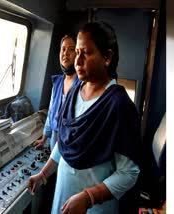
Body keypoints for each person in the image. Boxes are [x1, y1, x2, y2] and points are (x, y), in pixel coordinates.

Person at [28, 21, 141, 214]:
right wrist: (43, 174)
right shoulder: (73, 93)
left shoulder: (119, 105)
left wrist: (89, 198)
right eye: (77, 52)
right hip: (62, 198)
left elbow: (129, 173)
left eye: (86, 53)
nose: (77, 61)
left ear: (107, 57)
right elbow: (64, 143)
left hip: (95, 208)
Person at [33, 34, 80, 151]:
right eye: (63, 49)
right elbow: (51, 113)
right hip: (54, 140)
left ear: (78, 54)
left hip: (71, 144)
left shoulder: (82, 84)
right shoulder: (57, 82)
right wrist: (44, 138)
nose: (66, 53)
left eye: (71, 49)